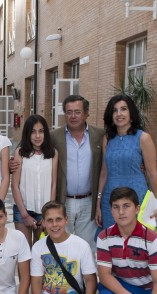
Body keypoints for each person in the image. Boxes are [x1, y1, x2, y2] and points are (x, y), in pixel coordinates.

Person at [96, 187, 157, 294]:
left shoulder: (152, 239)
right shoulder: (104, 237)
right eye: (116, 207)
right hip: (121, 285)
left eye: (126, 206)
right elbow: (104, 275)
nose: (121, 212)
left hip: (147, 290)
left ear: (137, 209)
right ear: (111, 210)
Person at [96, 94, 157, 232]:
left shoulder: (143, 138)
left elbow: (152, 173)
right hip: (110, 198)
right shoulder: (107, 139)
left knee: (137, 242)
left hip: (136, 195)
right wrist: (98, 203)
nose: (119, 114)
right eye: (115, 110)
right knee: (112, 241)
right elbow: (104, 173)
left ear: (131, 113)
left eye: (123, 109)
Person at [30, 201, 97, 294]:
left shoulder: (81, 245)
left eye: (58, 219)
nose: (54, 225)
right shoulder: (38, 247)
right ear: (43, 222)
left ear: (66, 220)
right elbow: (36, 281)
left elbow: (90, 279)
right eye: (49, 220)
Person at [50, 95, 104, 252]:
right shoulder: (54, 136)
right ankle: (66, 277)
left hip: (88, 201)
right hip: (63, 200)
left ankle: (85, 277)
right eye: (69, 112)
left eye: (77, 112)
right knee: (62, 247)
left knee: (86, 248)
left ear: (86, 113)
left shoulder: (99, 136)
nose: (73, 116)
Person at [11, 114, 58, 246]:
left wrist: (48, 214)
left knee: (42, 252)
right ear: (27, 134)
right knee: (24, 253)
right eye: (33, 132)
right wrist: (25, 215)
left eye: (41, 131)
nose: (37, 136)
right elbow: (15, 186)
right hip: (23, 210)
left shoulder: (53, 153)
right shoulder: (20, 153)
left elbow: (53, 184)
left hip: (44, 213)